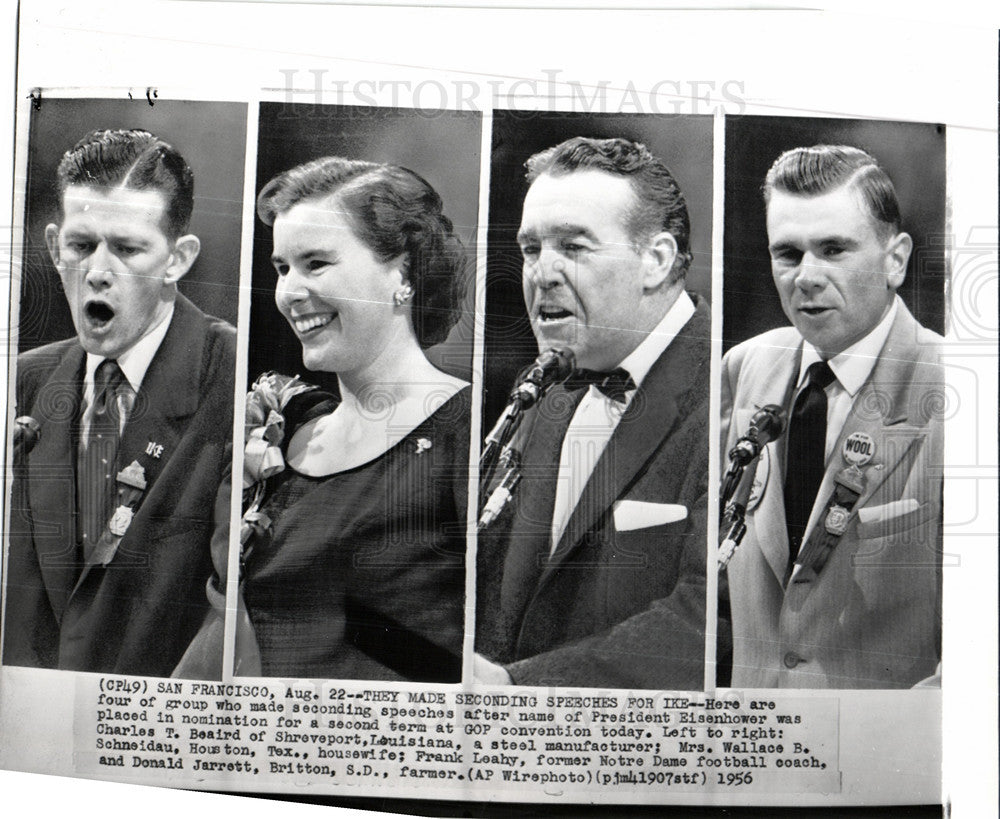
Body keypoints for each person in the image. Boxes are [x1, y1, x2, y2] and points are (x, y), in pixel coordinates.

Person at [475, 136, 710, 689]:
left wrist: (520, 689)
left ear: (656, 260)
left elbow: (711, 620)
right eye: (531, 250)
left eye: (573, 248)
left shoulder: (733, 394)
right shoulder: (544, 388)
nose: (542, 274)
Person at [3, 129, 236, 676]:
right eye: (81, 246)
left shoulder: (235, 378)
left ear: (178, 259)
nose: (98, 272)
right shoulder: (20, 382)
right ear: (55, 244)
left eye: (128, 249)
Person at [237, 156, 470, 681]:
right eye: (281, 268)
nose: (289, 292)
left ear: (403, 272)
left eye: (316, 263)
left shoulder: (466, 430)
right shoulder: (288, 431)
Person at [719, 145, 943, 689]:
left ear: (896, 259)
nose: (807, 277)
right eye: (788, 253)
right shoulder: (744, 368)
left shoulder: (961, 389)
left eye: (834, 249)